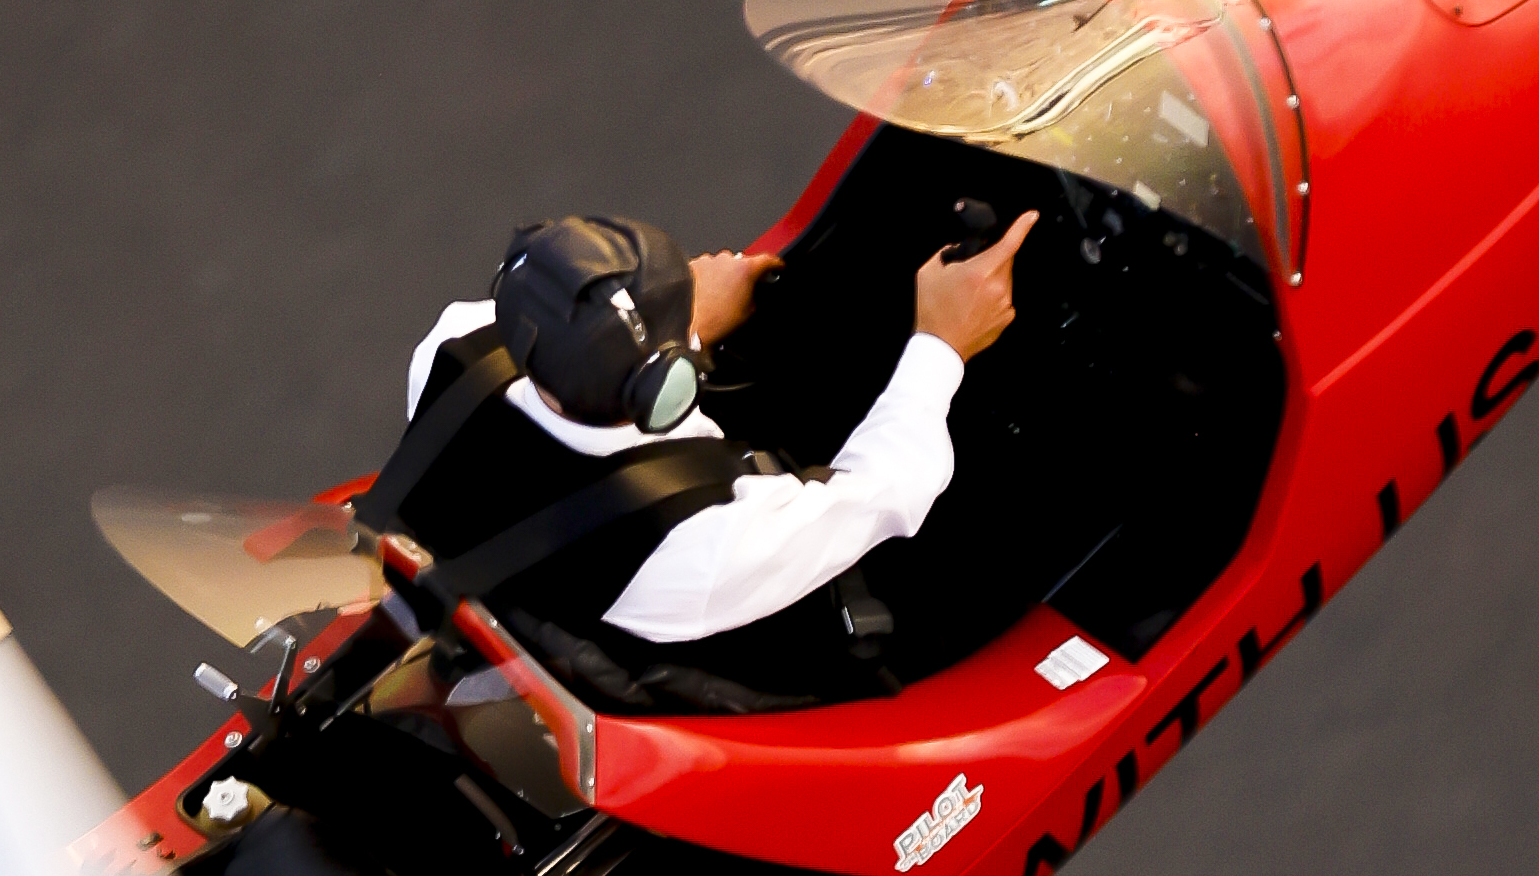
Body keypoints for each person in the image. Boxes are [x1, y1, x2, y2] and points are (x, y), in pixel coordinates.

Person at [359, 195, 1034, 664]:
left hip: (514, 608)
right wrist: (941, 343)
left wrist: (680, 325)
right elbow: (890, 490)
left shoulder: (452, 347)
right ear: (665, 389)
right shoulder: (690, 541)